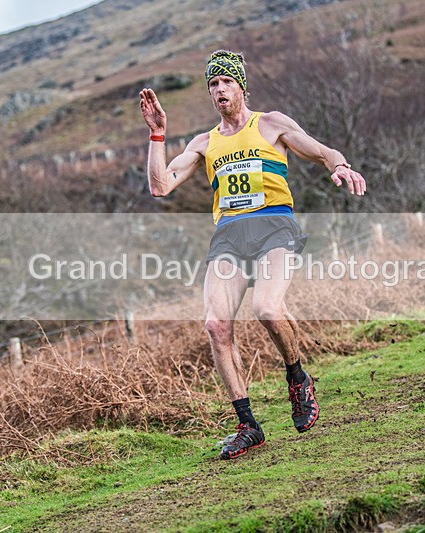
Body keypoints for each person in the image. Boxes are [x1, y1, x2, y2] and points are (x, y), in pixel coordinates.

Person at [139, 50, 365, 459]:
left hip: (274, 225)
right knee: (215, 325)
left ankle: (297, 377)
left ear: (241, 86)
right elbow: (161, 185)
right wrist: (157, 133)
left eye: (226, 81)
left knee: (267, 309)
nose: (219, 89)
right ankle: (248, 424)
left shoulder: (271, 124)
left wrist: (339, 165)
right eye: (212, 84)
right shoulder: (204, 143)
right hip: (229, 235)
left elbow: (319, 150)